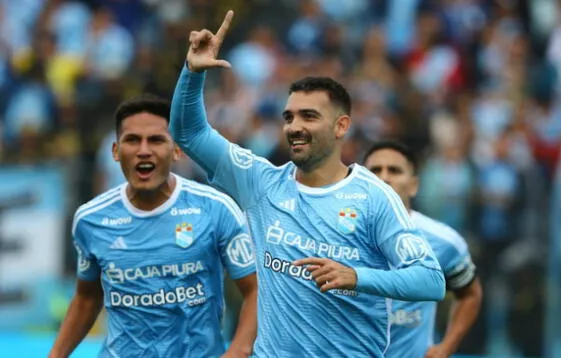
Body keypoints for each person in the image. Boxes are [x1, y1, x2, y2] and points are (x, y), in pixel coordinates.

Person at [170, 10, 446, 357]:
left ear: (341, 126)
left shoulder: (374, 197)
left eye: (309, 116)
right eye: (289, 117)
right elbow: (190, 133)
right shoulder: (260, 182)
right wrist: (193, 73)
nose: (294, 126)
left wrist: (356, 277)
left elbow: (431, 280)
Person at [49, 94, 258, 358]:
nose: (143, 150)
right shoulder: (91, 219)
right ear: (115, 151)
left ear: (177, 150)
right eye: (132, 140)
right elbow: (87, 298)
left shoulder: (216, 208)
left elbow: (256, 289)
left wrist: (238, 349)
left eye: (156, 140)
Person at [364, 140, 483, 358]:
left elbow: (470, 294)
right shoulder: (337, 235)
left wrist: (447, 346)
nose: (384, 177)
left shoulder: (444, 242)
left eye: (395, 170)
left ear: (414, 185)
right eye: (375, 170)